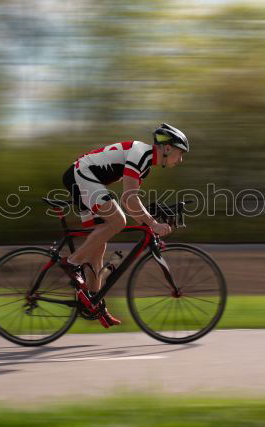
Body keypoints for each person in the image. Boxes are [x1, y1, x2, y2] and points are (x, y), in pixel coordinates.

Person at [59, 123, 189, 324]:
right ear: (168, 148)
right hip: (81, 174)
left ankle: (94, 305)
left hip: (84, 178)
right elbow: (129, 199)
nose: (181, 159)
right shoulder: (141, 154)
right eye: (180, 153)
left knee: (98, 247)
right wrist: (153, 223)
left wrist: (148, 225)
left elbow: (130, 203)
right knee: (118, 221)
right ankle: (72, 262)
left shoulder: (144, 163)